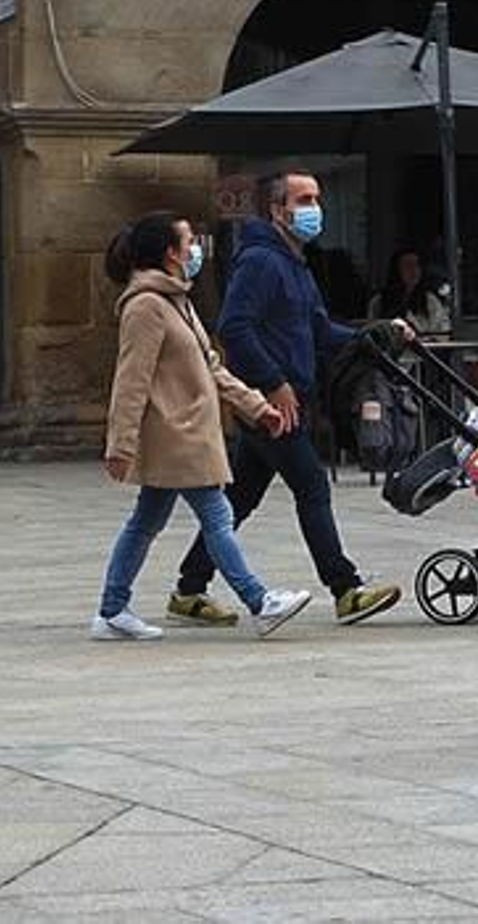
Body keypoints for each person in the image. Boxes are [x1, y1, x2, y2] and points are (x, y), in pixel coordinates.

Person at [169, 170, 404, 627]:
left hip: (287, 395)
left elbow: (318, 330)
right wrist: (273, 384)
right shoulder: (260, 261)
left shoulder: (295, 262)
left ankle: (189, 589)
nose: (315, 208)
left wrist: (375, 336)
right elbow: (235, 327)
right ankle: (345, 588)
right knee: (312, 486)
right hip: (271, 402)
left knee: (239, 498)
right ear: (278, 211)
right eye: (304, 199)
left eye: (317, 198)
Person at [95, 212, 312, 641]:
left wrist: (255, 406)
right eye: (188, 241)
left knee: (146, 522)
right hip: (177, 434)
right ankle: (259, 600)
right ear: (170, 253)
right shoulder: (146, 307)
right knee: (217, 514)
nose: (196, 248)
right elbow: (131, 380)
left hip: (189, 431)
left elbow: (211, 367)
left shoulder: (178, 301)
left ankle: (112, 609)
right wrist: (120, 444)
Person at [369, 247, 452, 334]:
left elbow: (443, 330)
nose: (414, 270)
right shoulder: (378, 302)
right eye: (408, 265)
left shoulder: (430, 301)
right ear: (397, 269)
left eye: (417, 265)